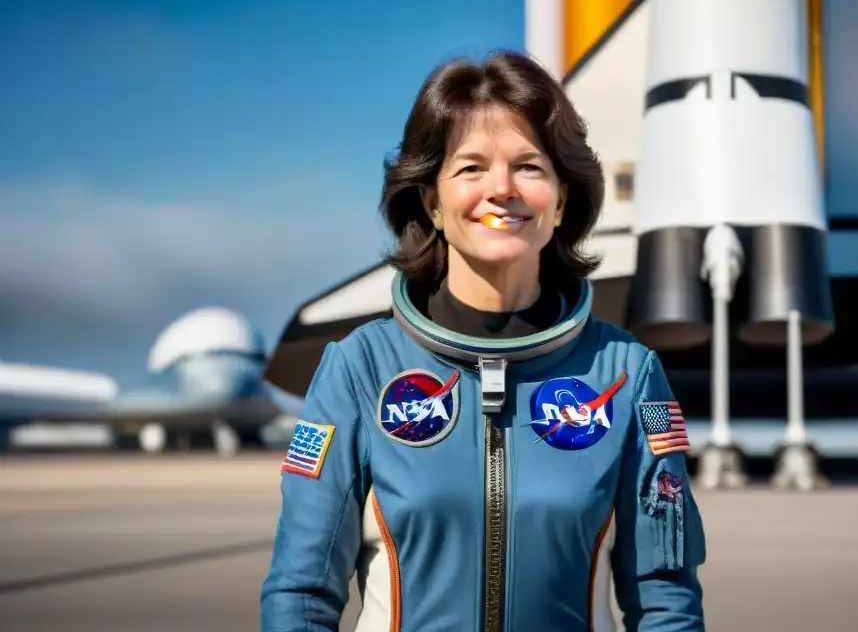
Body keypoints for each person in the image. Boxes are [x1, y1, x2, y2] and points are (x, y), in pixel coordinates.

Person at [259, 50, 707, 631]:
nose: (502, 189)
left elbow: (665, 598)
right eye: (471, 168)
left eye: (529, 166)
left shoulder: (625, 375)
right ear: (432, 202)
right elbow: (301, 591)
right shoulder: (359, 370)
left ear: (561, 200)